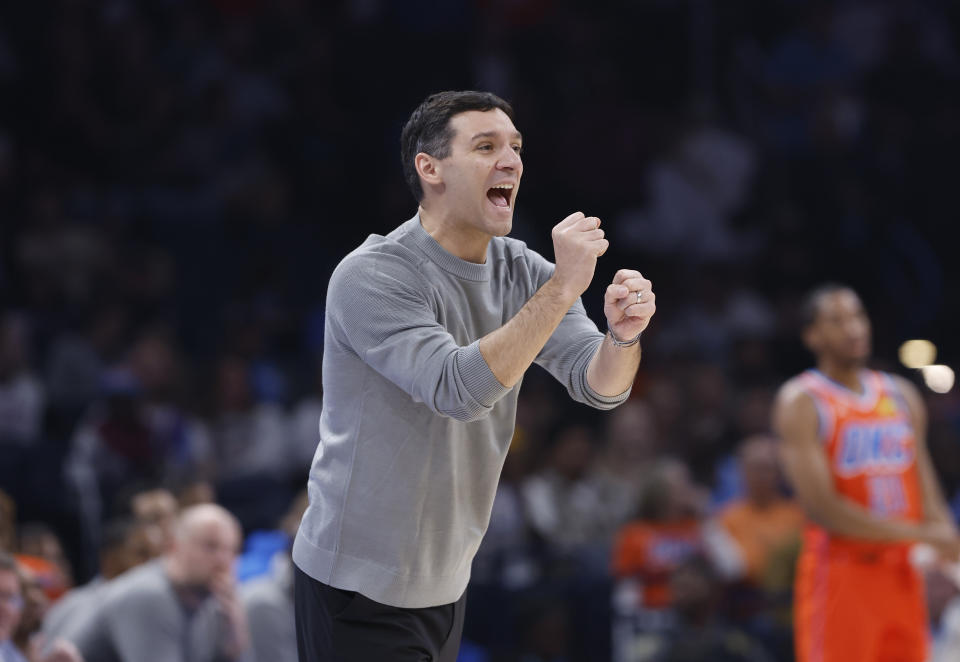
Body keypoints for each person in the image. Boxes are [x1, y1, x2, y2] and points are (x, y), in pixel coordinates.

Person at [293, 90, 657, 661]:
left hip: (447, 583)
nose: (510, 160)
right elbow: (457, 390)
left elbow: (599, 387)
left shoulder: (523, 269)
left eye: (515, 147)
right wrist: (563, 289)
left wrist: (623, 334)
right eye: (486, 146)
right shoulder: (372, 275)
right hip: (357, 585)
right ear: (429, 167)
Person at [773, 284, 960, 662]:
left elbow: (924, 487)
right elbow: (825, 510)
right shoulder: (802, 400)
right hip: (842, 574)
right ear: (812, 335)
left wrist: (949, 545)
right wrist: (920, 534)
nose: (853, 328)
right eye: (837, 320)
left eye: (858, 316)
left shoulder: (901, 394)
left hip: (903, 575)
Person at [67, 503, 250, 662]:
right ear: (174, 546)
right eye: (211, 546)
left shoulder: (214, 602)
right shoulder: (148, 595)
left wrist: (234, 638)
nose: (223, 561)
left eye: (232, 550)